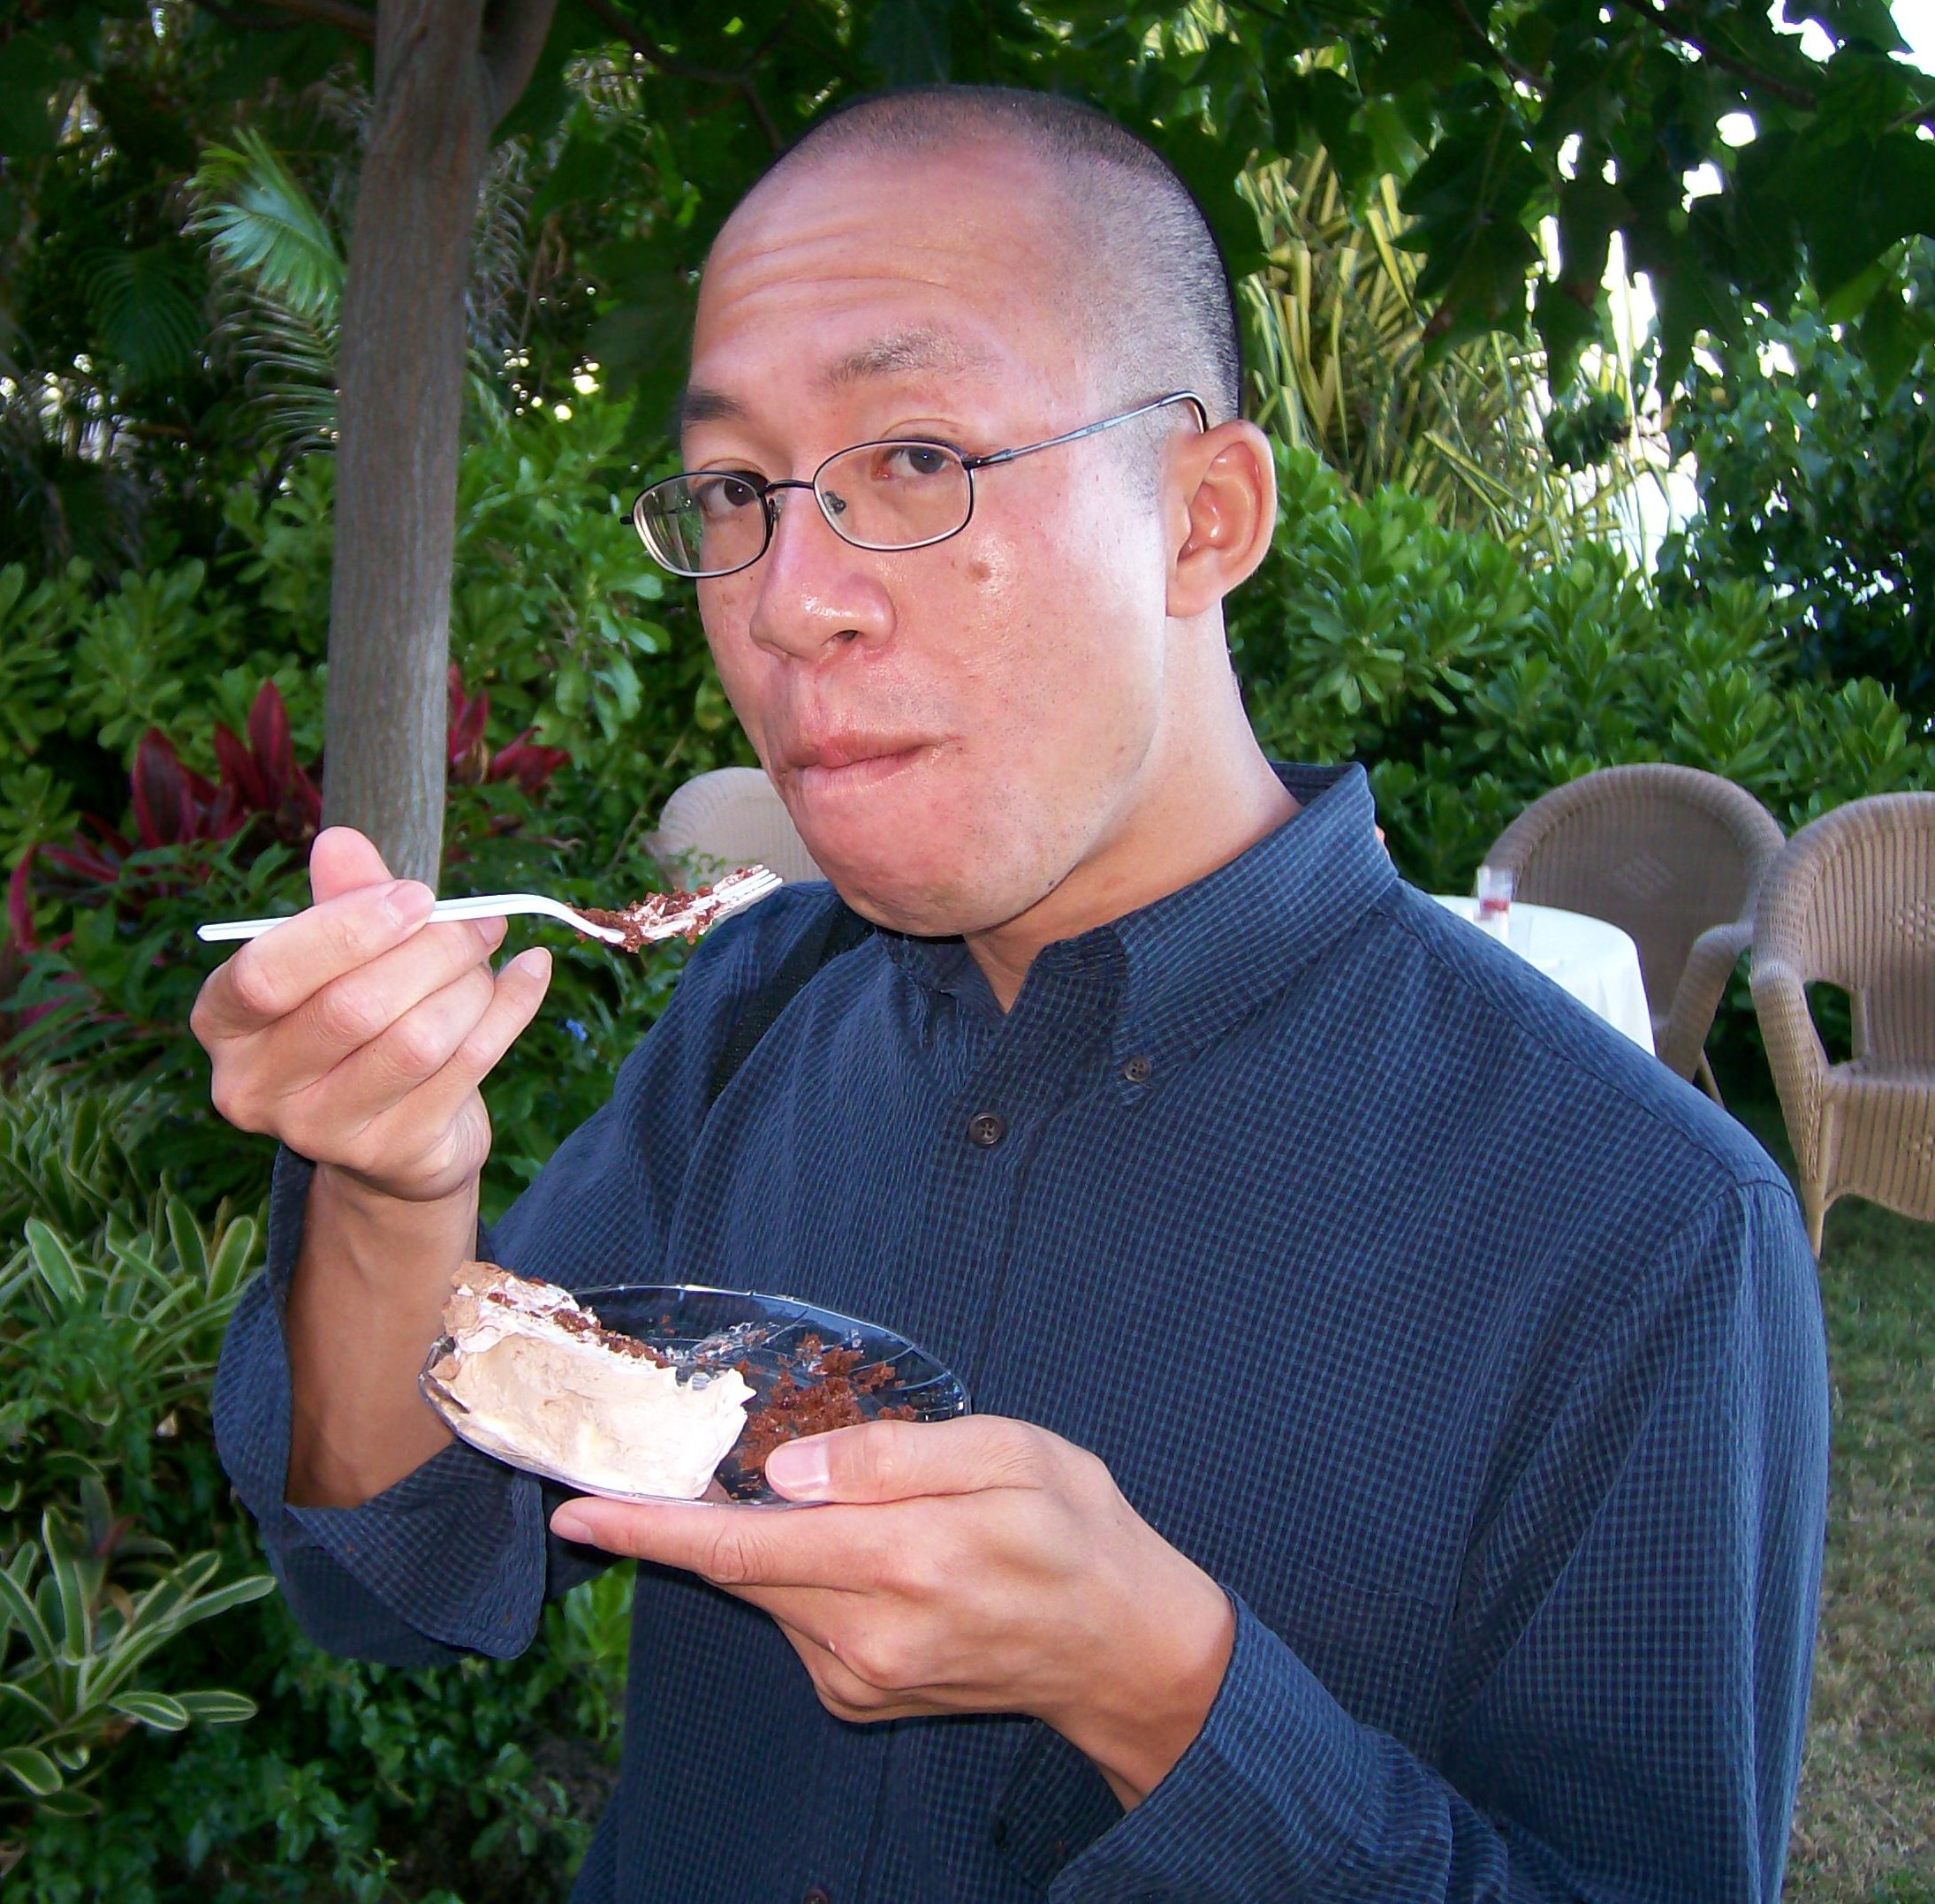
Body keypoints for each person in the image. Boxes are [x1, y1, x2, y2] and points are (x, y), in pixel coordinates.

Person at [200, 86, 1828, 1903]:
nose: (789, 603)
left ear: (1202, 518)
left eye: (916, 457)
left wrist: (1164, 1696)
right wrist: (389, 1189)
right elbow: (397, 1571)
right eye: (736, 491)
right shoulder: (756, 1013)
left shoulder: (1645, 1230)